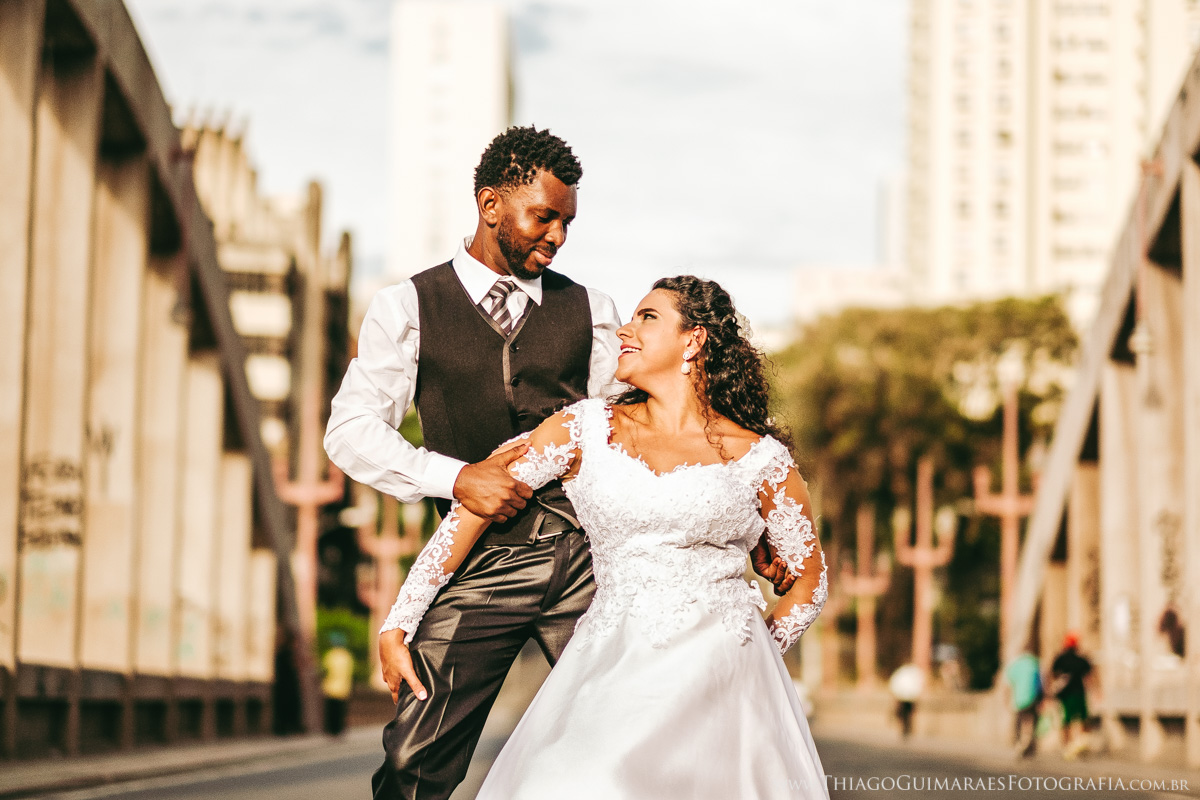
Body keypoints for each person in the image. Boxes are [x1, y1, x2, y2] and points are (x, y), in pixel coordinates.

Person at [325, 128, 792, 800]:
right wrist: (456, 477)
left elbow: (651, 428)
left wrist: (744, 522)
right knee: (411, 758)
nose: (558, 237)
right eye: (543, 217)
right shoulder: (408, 308)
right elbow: (350, 432)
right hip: (482, 558)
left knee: (638, 736)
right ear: (490, 205)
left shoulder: (593, 312)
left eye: (567, 222)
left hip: (594, 561)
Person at [381, 277, 830, 799]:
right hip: (613, 662)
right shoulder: (585, 429)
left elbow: (809, 583)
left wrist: (755, 651)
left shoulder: (761, 458)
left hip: (726, 679)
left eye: (647, 318)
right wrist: (400, 620)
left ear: (694, 340)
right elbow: (473, 510)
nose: (625, 329)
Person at [1050, 631, 1092, 759]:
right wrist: (1097, 691)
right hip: (1079, 693)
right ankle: (1081, 743)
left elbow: (1052, 674)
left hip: (1065, 696)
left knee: (1066, 721)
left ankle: (1067, 746)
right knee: (1083, 719)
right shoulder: (1081, 659)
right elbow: (1090, 675)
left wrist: (1052, 689)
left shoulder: (1060, 659)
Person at [1004, 650, 1042, 758]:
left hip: (1019, 699)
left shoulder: (1014, 665)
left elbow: (1008, 685)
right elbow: (1041, 682)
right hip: (1034, 697)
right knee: (1032, 721)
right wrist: (1043, 697)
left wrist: (1006, 700)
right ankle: (1030, 744)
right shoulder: (1035, 663)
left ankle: (1019, 743)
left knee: (1019, 722)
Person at [322, 631, 355, 736]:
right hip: (344, 689)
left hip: (330, 688)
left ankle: (331, 731)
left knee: (331, 712)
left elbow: (324, 670)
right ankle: (340, 730)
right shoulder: (347, 656)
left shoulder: (330, 655)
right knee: (341, 712)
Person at [888, 663, 925, 739]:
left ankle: (907, 728)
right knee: (906, 714)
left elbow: (894, 684)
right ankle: (906, 728)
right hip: (906, 696)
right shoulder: (912, 672)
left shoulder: (903, 672)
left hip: (906, 696)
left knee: (907, 714)